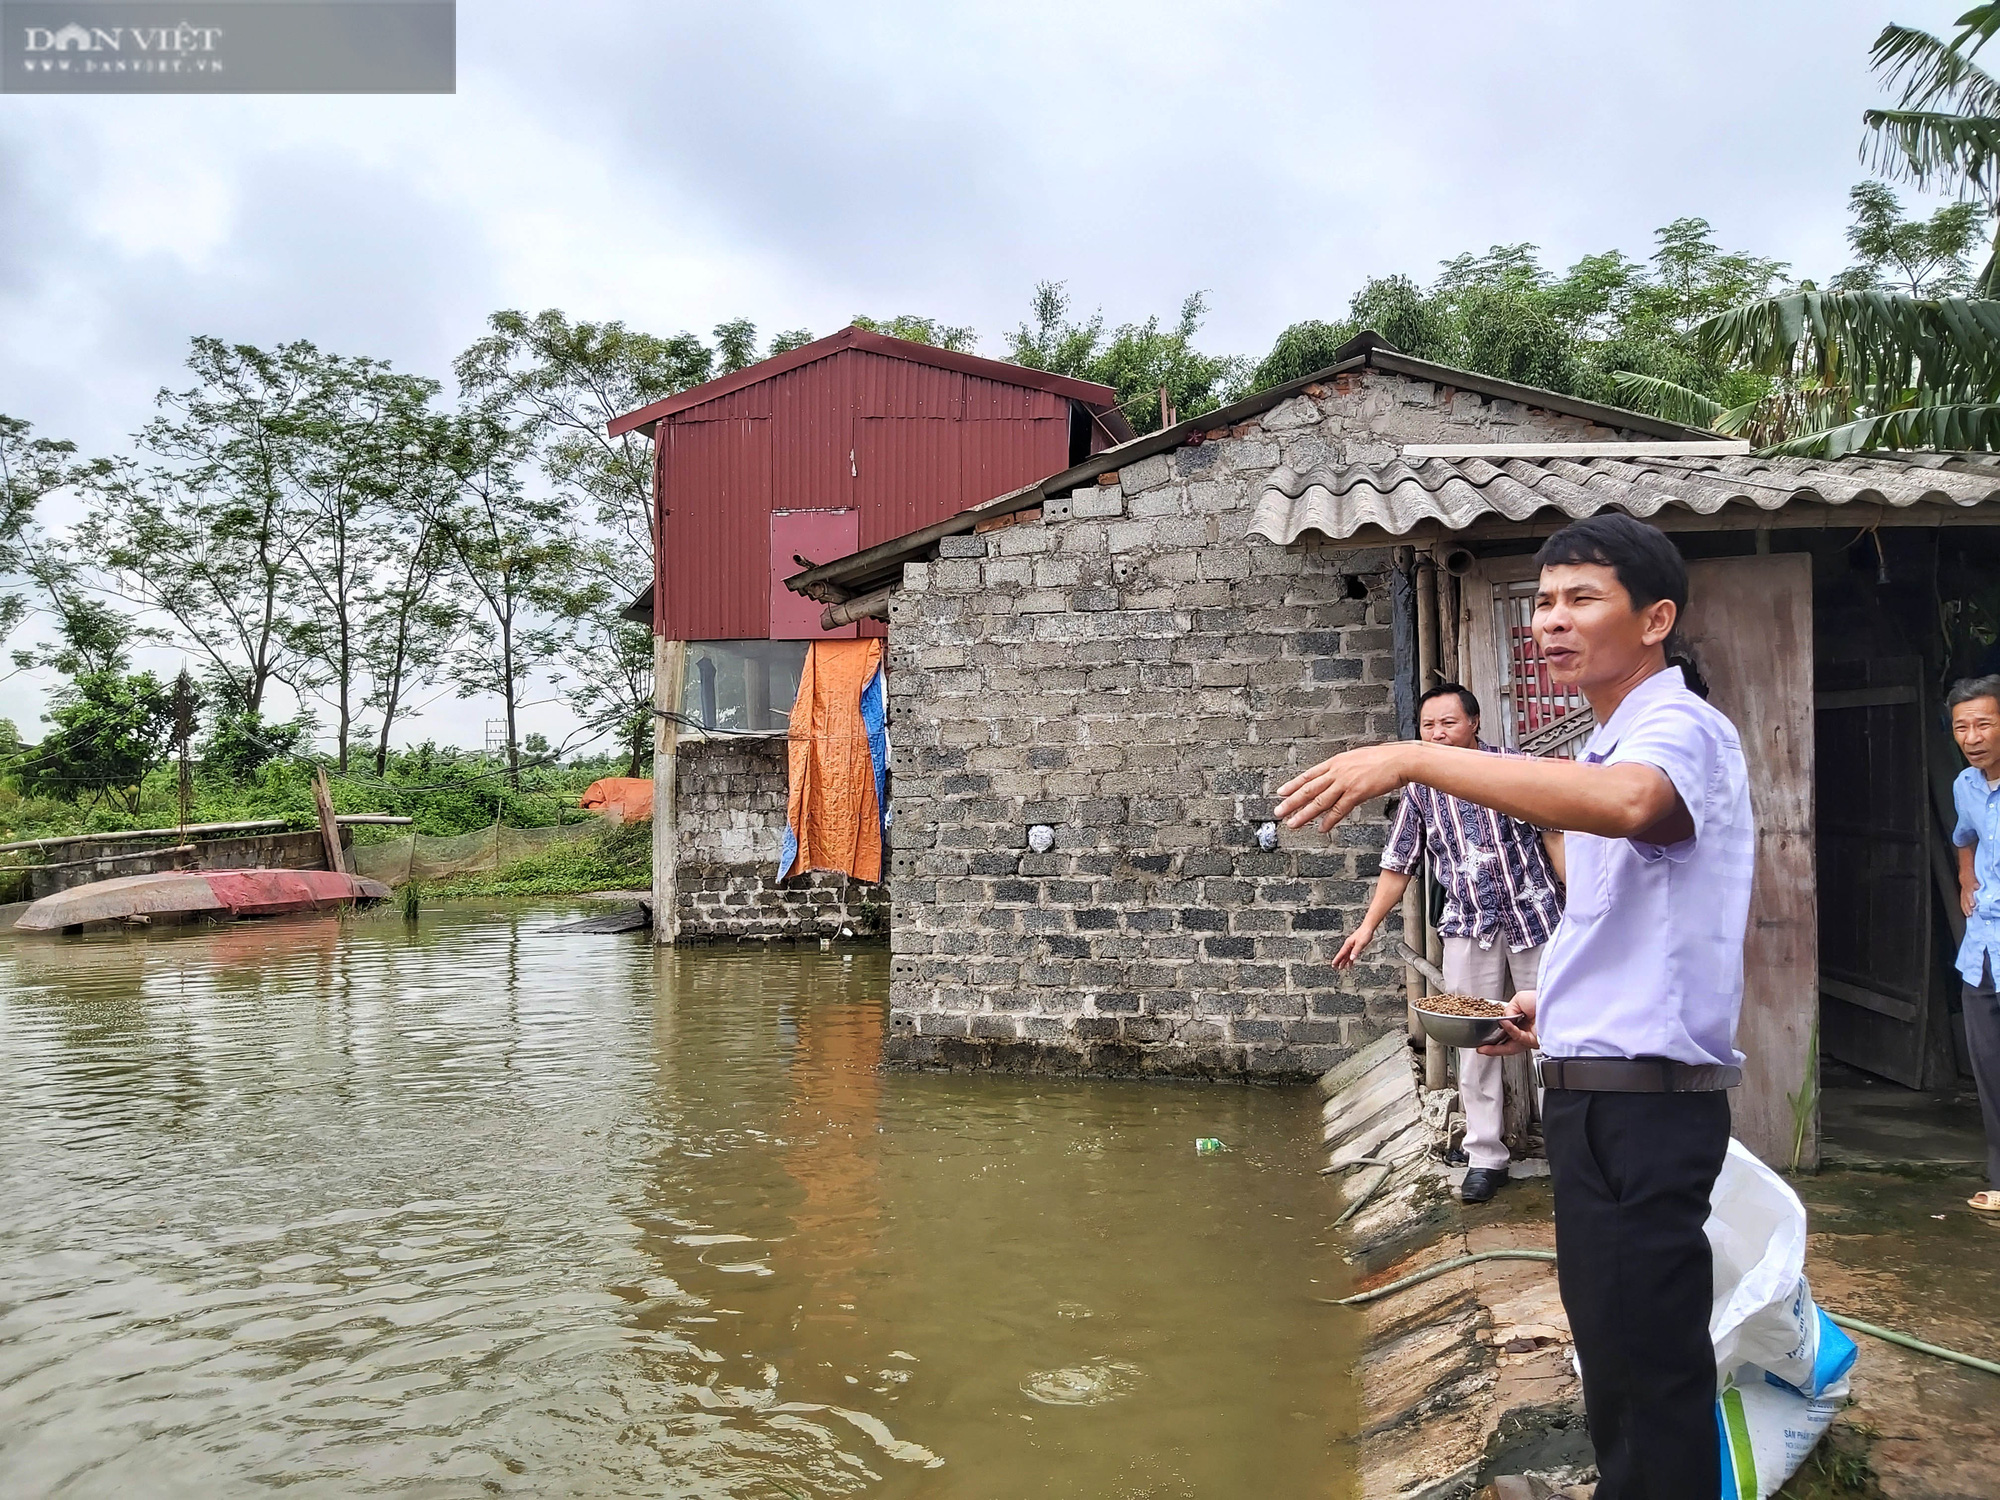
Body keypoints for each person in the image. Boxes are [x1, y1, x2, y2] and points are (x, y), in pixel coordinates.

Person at [1276, 512, 1753, 1500]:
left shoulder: (1676, 730)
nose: (1550, 621)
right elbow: (1628, 915)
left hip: (1642, 1109)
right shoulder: (1606, 739)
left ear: (1654, 616)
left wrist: (1410, 759)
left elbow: (1627, 807)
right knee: (1619, 1374)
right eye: (1543, 601)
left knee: (1648, 1379)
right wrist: (1555, 1003)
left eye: (1581, 599)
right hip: (1601, 1090)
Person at [1335, 682, 1565, 1204]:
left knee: (1557, 1030)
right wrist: (1366, 927)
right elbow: (1399, 863)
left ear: (1475, 723)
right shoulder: (1420, 787)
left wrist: (1586, 913)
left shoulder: (1516, 768)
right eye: (1428, 725)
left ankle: (1571, 1151)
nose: (1437, 734)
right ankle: (1486, 1155)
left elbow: (1555, 838)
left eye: (1448, 723)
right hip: (1468, 927)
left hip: (1537, 918)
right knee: (1475, 1040)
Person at [1947, 676, 2000, 1215]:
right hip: (1982, 952)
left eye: (1984, 723)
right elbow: (1964, 835)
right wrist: (1967, 879)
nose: (1972, 736)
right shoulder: (1965, 784)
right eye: (1963, 726)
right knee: (1990, 1069)